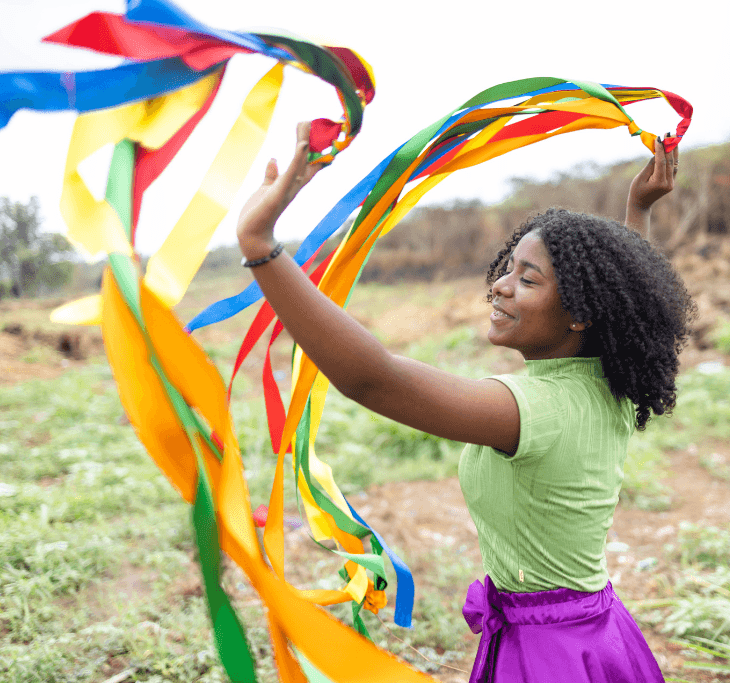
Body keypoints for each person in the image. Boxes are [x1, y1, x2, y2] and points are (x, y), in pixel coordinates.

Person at [237, 122, 696, 683]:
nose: (501, 286)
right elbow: (626, 297)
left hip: (550, 655)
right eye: (508, 270)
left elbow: (371, 378)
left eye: (528, 281)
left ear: (581, 312)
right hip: (591, 632)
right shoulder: (609, 378)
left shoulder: (533, 410)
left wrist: (261, 248)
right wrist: (638, 209)